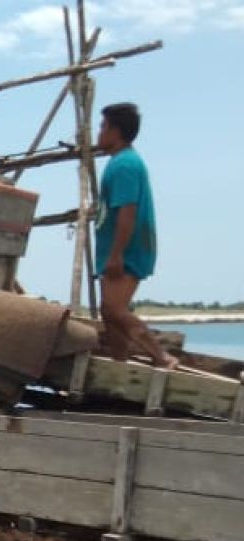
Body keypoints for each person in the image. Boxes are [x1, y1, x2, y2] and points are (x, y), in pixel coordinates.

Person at [94, 102, 179, 369]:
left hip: (127, 250)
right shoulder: (120, 162)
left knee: (113, 310)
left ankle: (161, 356)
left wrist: (116, 254)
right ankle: (120, 365)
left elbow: (127, 212)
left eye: (103, 127)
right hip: (120, 249)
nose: (99, 133)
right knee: (109, 314)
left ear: (116, 131)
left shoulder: (124, 166)